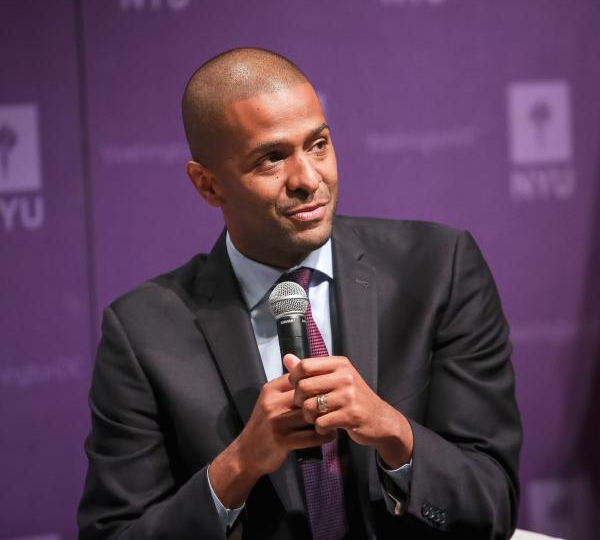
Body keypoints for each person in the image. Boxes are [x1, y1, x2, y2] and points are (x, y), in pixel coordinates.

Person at [78, 48, 522, 539]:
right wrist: (238, 467)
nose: (309, 180)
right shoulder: (143, 333)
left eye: (318, 144)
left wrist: (394, 433)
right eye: (272, 158)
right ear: (207, 185)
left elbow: (492, 505)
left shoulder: (439, 268)